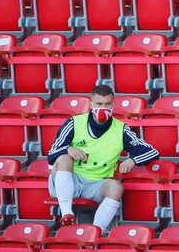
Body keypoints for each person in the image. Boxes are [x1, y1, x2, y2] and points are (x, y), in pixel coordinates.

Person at [47, 85, 159, 231]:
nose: (103, 108)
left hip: (97, 184)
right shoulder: (74, 123)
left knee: (116, 187)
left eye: (107, 104)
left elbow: (152, 151)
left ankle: (96, 231)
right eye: (99, 104)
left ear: (113, 105)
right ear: (91, 104)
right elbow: (52, 153)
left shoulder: (121, 129)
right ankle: (67, 213)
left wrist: (133, 160)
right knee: (63, 158)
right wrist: (68, 149)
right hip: (71, 179)